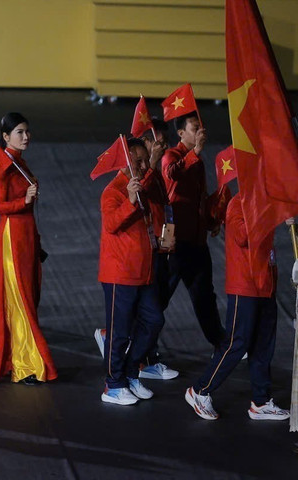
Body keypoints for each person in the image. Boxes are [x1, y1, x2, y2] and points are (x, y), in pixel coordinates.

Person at [0, 112, 57, 385]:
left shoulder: (19, 162)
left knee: (23, 295)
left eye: (27, 131)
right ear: (5, 137)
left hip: (26, 235)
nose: (26, 137)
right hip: (12, 237)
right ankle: (25, 362)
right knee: (19, 298)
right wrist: (24, 200)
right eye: (19, 133)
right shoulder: (3, 165)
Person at [184, 193, 290, 421]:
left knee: (263, 346)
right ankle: (200, 391)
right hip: (245, 287)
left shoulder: (265, 204)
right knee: (236, 342)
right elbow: (243, 237)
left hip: (265, 285)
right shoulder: (237, 205)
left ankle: (261, 402)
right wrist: (270, 214)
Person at [97, 138, 165, 405]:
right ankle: (113, 385)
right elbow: (112, 225)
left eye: (145, 160)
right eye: (138, 161)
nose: (144, 165)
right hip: (120, 274)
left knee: (154, 320)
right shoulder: (112, 192)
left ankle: (129, 371)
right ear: (125, 163)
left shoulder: (141, 186)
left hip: (143, 272)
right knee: (119, 333)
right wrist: (131, 199)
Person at [158, 112, 224, 356]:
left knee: (204, 295)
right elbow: (172, 174)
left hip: (196, 240)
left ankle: (220, 342)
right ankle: (137, 345)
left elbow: (198, 199)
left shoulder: (198, 161)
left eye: (201, 127)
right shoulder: (171, 156)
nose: (201, 132)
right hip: (173, 239)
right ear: (181, 133)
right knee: (161, 296)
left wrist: (210, 221)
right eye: (195, 128)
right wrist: (195, 152)